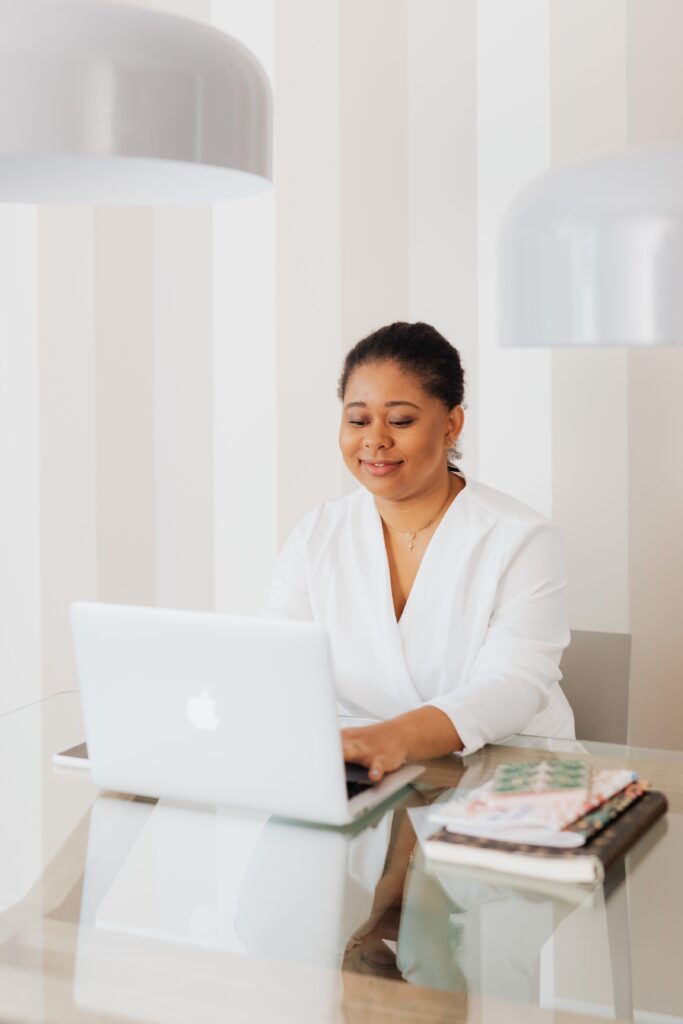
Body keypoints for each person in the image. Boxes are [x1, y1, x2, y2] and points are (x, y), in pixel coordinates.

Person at [266, 321, 575, 780]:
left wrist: (392, 739)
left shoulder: (522, 538)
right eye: (358, 420)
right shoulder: (317, 534)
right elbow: (279, 667)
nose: (374, 440)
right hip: (372, 775)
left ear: (451, 425)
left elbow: (513, 684)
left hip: (514, 778)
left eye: (401, 420)